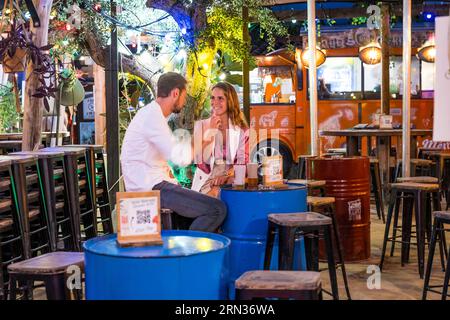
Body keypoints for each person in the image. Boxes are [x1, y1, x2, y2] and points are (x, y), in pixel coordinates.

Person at [120, 72, 227, 232]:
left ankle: (183, 247)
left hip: (151, 184)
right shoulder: (152, 117)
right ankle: (188, 254)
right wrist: (206, 136)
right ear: (175, 93)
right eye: (184, 96)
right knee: (216, 209)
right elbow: (180, 158)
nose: (184, 102)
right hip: (151, 188)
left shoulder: (151, 114)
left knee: (196, 213)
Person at [191, 82, 249, 197]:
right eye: (212, 98)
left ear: (230, 102)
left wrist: (227, 177)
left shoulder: (242, 130)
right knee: (214, 196)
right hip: (206, 181)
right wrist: (210, 132)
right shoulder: (202, 126)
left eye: (220, 98)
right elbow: (197, 159)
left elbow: (243, 163)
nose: (215, 102)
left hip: (230, 181)